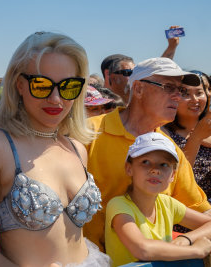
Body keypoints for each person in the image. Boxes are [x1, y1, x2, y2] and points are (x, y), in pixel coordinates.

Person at [0, 31, 110, 267]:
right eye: (41, 85)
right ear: (19, 85)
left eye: (68, 86)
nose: (56, 99)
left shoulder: (77, 148)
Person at [84, 57, 211, 252]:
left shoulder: (171, 152)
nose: (178, 96)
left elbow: (205, 217)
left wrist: (185, 241)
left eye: (181, 90)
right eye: (169, 87)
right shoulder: (87, 133)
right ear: (139, 89)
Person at [105, 132, 211, 266]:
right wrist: (196, 250)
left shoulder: (167, 203)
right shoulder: (119, 205)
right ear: (129, 168)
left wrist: (186, 239)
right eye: (146, 162)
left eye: (164, 164)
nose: (155, 170)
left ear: (172, 175)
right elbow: (141, 249)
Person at [163, 71, 211, 200]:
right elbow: (175, 180)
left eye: (199, 93)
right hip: (182, 209)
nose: (194, 100)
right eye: (185, 94)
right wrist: (196, 138)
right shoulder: (163, 132)